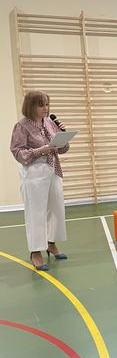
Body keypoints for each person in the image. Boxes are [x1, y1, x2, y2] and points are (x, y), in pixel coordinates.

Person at [10, 91, 69, 271]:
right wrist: (40, 150)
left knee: (56, 209)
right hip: (33, 172)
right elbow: (17, 152)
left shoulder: (50, 122)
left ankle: (51, 244)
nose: (45, 108)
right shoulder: (22, 126)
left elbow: (62, 149)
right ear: (31, 106)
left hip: (52, 169)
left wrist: (64, 137)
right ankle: (35, 252)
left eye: (47, 104)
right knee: (36, 212)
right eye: (41, 105)